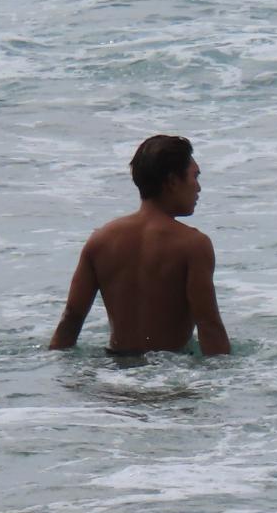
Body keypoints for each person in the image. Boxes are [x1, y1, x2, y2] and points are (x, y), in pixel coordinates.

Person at [49, 135, 231, 356]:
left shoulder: (100, 240)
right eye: (195, 176)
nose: (199, 188)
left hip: (113, 368)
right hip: (168, 370)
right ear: (173, 181)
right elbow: (209, 325)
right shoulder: (192, 244)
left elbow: (71, 318)